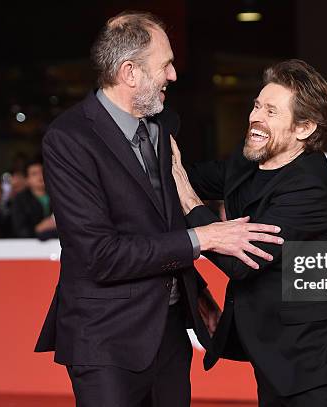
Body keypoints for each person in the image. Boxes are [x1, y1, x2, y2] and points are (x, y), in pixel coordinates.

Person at [34, 11, 282, 407]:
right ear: (129, 72)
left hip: (168, 334)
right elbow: (99, 255)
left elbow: (161, 220)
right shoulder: (69, 139)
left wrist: (195, 291)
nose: (173, 76)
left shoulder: (162, 124)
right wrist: (202, 238)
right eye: (165, 65)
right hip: (106, 340)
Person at [172, 59, 327, 406]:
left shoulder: (310, 188)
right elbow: (187, 177)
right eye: (257, 105)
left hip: (315, 364)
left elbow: (242, 260)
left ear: (303, 128)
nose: (255, 117)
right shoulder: (251, 159)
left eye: (271, 111)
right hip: (272, 354)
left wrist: (187, 199)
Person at [11, 160, 58, 239]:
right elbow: (19, 230)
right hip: (30, 247)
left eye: (42, 171)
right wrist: (39, 228)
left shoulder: (58, 196)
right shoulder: (19, 200)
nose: (40, 176)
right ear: (27, 180)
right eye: (34, 174)